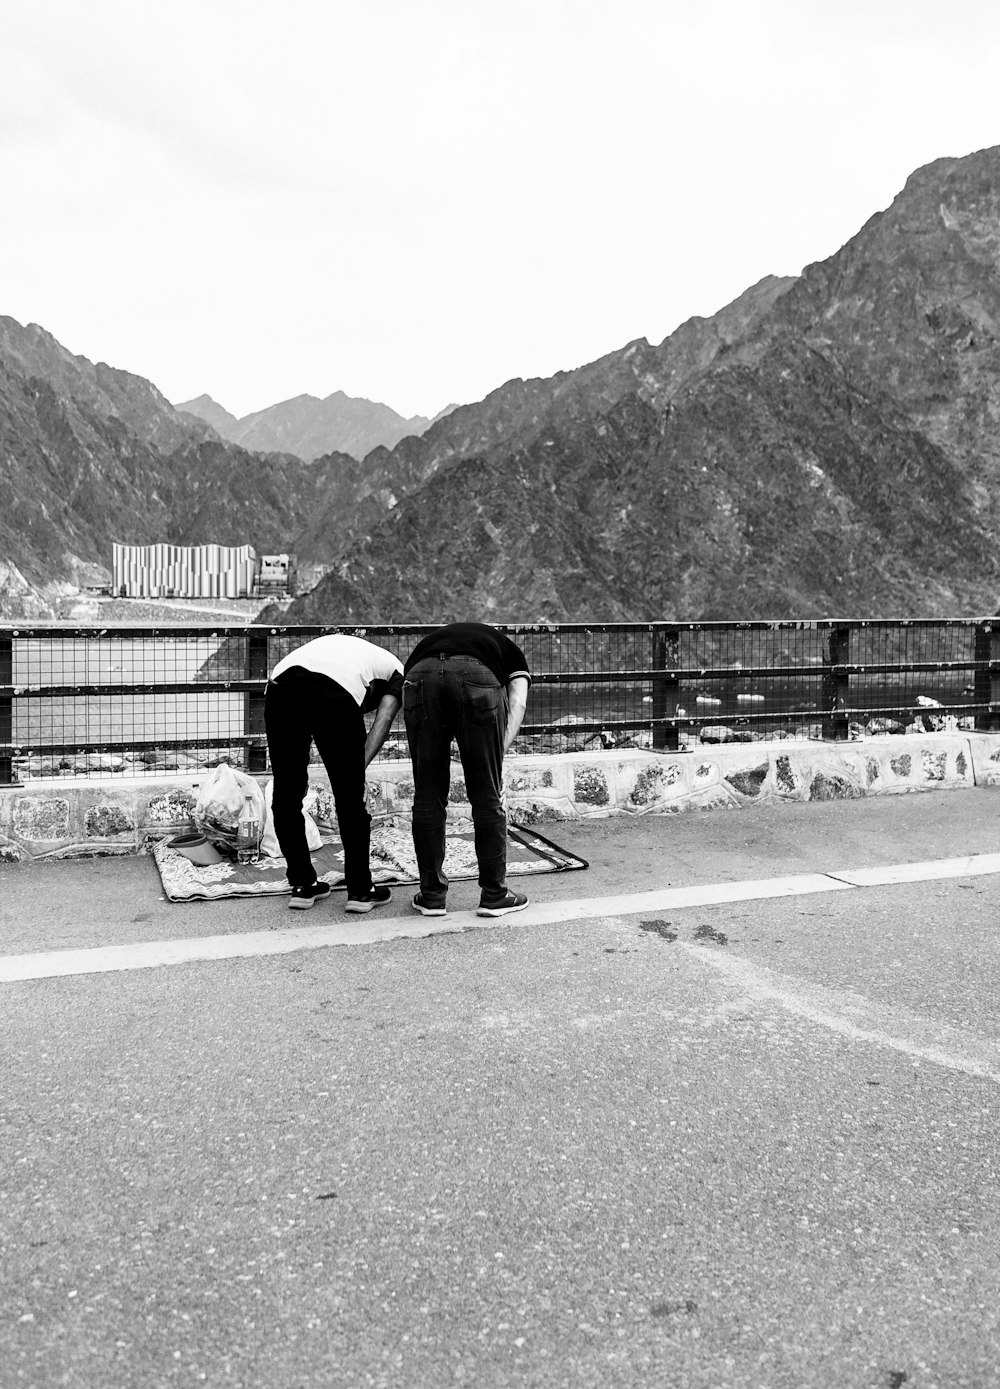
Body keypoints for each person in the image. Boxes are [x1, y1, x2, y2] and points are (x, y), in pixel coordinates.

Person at [264, 634, 402, 911]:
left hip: (280, 688)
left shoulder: (352, 652)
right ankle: (361, 891)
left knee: (286, 793)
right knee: (349, 798)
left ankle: (303, 886)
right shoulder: (399, 672)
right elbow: (384, 718)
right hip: (332, 691)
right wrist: (354, 769)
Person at [401, 622, 531, 918]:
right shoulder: (510, 652)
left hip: (419, 674)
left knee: (427, 793)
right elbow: (518, 703)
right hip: (477, 677)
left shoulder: (433, 642)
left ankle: (432, 896)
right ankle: (494, 895)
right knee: (486, 794)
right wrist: (494, 757)